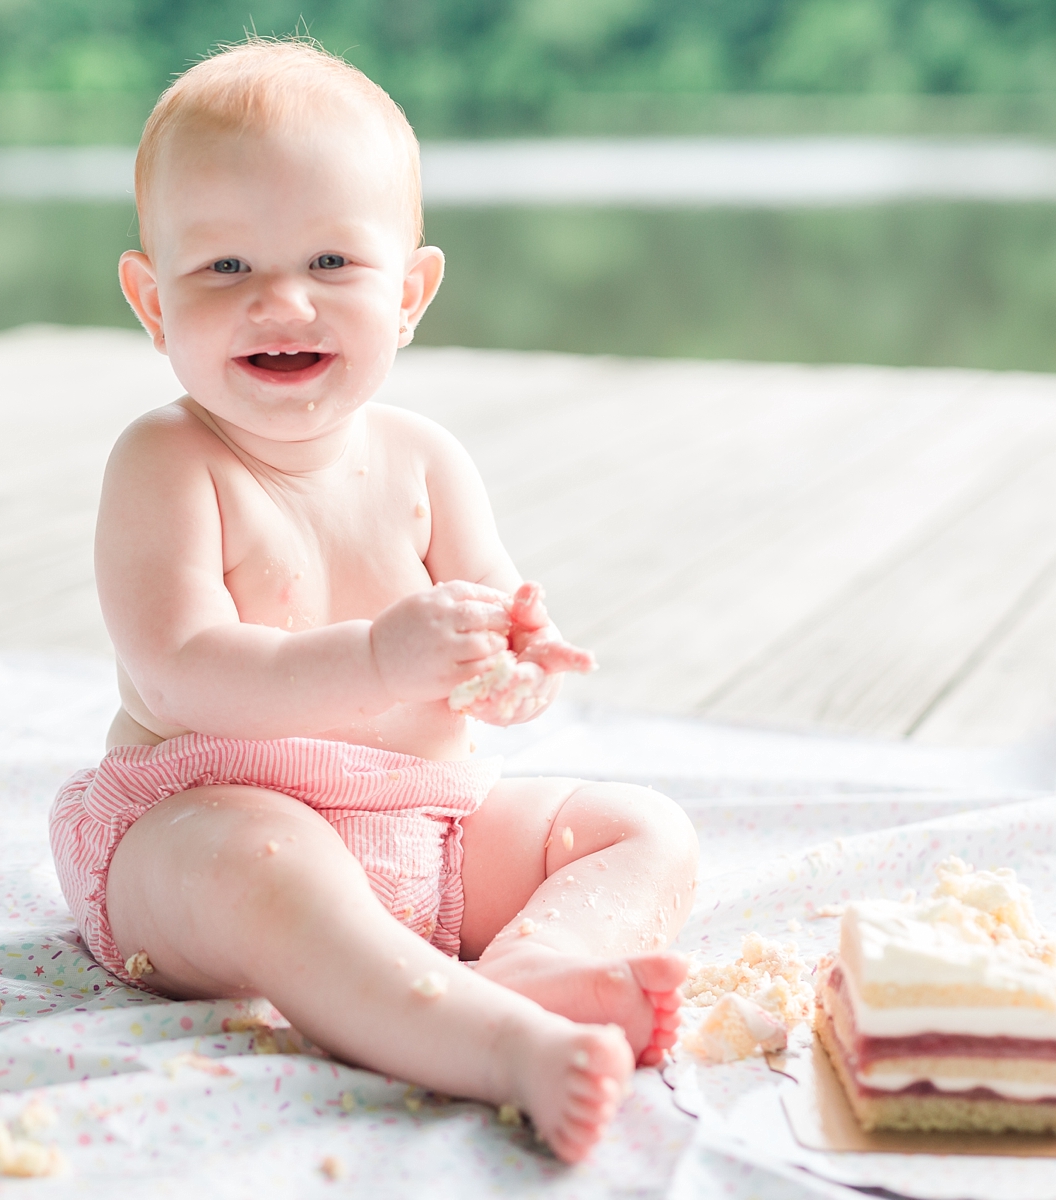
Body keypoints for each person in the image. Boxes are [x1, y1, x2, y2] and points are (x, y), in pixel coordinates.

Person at [48, 37, 698, 1163]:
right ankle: (495, 1046)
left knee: (644, 827)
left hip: (429, 828)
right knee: (273, 867)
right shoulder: (167, 461)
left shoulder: (425, 459)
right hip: (204, 823)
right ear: (153, 302)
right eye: (225, 269)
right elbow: (176, 670)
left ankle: (538, 958)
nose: (282, 301)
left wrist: (517, 663)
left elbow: (489, 615)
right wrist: (381, 662)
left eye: (334, 263)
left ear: (410, 293)